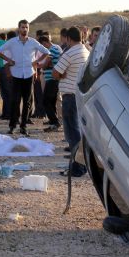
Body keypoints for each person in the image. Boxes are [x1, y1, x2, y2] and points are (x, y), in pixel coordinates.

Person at [0, 20, 49, 136]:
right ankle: (12, 125)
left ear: (28, 29)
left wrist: (36, 62)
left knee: (27, 102)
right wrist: (9, 60)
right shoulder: (12, 42)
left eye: (26, 27)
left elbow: (46, 52)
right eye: (23, 27)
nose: (25, 29)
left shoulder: (33, 42)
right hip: (16, 75)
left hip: (29, 75)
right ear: (19, 28)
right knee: (15, 101)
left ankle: (23, 126)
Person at [53, 26, 90, 176]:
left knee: (72, 134)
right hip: (82, 96)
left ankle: (77, 168)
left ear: (68, 39)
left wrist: (62, 76)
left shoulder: (69, 53)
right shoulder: (86, 52)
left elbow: (56, 73)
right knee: (79, 132)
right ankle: (82, 165)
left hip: (70, 96)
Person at [38, 35, 62, 131]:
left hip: (52, 79)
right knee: (51, 101)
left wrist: (42, 66)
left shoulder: (52, 49)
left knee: (46, 101)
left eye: (42, 45)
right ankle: (53, 122)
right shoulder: (56, 48)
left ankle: (55, 121)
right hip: (53, 79)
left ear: (44, 43)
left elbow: (46, 64)